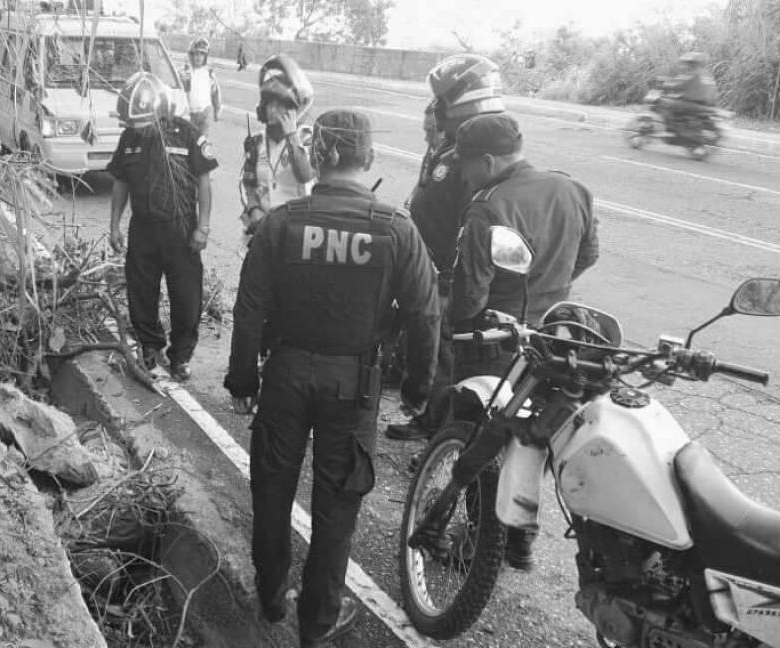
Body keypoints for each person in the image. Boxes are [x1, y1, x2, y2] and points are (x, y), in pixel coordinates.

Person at [224, 110, 440, 647]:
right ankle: (316, 623)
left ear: (317, 157)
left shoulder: (281, 223)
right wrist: (417, 389)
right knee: (336, 508)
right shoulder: (396, 229)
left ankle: (272, 596)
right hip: (354, 386)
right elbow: (424, 315)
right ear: (367, 158)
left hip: (285, 377)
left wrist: (242, 381)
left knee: (272, 491)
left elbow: (249, 308)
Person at [447, 112, 599, 569]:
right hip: (553, 337)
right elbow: (589, 254)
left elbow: (470, 294)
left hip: (496, 340)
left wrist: (453, 325)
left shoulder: (488, 207)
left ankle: (478, 543)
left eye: (467, 165)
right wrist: (550, 289)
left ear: (489, 160)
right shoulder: (572, 189)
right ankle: (520, 540)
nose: (464, 175)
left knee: (479, 439)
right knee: (531, 437)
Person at [386, 53, 507, 442]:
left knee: (441, 353)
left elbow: (467, 223)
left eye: (440, 104)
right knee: (427, 347)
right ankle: (426, 418)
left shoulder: (466, 161)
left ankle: (435, 430)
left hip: (443, 273)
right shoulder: (446, 150)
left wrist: (447, 274)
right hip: (424, 264)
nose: (434, 114)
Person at [107, 72, 217, 381]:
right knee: (141, 293)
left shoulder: (187, 135)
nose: (137, 133)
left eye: (143, 126)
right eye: (133, 127)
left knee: (186, 297)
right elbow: (120, 183)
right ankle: (149, 348)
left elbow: (205, 183)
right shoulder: (128, 139)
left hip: (181, 230)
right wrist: (114, 224)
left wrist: (203, 227)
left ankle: (180, 356)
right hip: (143, 229)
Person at [239, 53, 315, 244]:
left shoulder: (308, 139)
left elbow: (305, 175)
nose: (273, 111)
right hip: (262, 229)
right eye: (270, 104)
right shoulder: (256, 143)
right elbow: (247, 182)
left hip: (297, 232)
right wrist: (253, 208)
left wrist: (291, 136)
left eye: (280, 105)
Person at [658, 51, 718, 130]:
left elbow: (677, 85)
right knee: (676, 100)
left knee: (662, 102)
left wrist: (664, 84)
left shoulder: (693, 74)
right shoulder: (708, 75)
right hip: (707, 106)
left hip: (693, 105)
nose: (685, 65)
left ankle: (667, 129)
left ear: (693, 63)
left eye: (687, 63)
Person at [182, 37, 221, 135]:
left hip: (205, 112)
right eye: (196, 54)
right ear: (191, 55)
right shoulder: (187, 71)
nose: (198, 57)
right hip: (190, 113)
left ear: (205, 56)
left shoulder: (209, 72)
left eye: (202, 54)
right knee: (191, 141)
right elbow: (183, 92)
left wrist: (217, 109)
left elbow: (215, 92)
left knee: (203, 142)